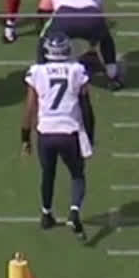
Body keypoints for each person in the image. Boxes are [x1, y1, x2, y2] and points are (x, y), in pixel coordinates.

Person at [21, 31, 95, 240]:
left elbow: (29, 108)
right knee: (77, 173)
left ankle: (46, 214)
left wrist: (25, 138)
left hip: (46, 131)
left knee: (48, 173)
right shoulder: (76, 70)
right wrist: (89, 134)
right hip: (69, 131)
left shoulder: (37, 72)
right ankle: (73, 211)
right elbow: (86, 106)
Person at [34, 0, 123, 89]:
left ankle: (40, 76)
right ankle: (113, 76)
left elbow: (44, 8)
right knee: (105, 38)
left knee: (43, 39)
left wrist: (45, 26)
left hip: (66, 15)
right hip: (92, 16)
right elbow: (98, 9)